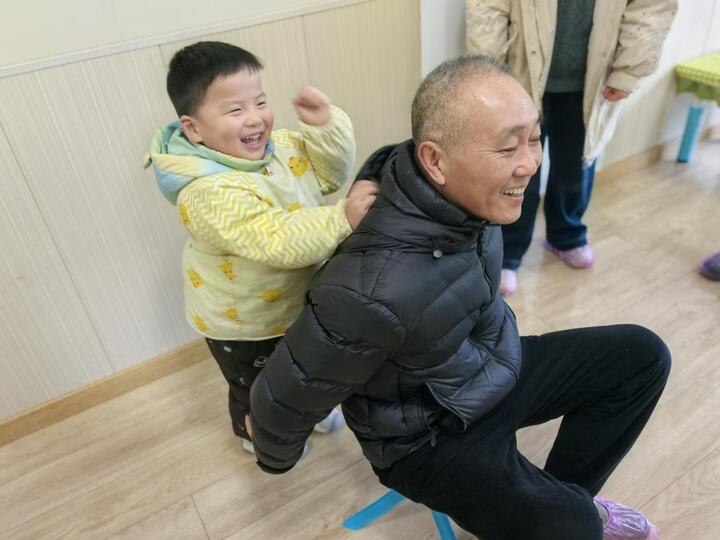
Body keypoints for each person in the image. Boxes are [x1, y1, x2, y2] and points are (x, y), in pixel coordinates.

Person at [248, 55, 671, 540]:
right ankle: (570, 514)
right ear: (436, 162)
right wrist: (273, 456)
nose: (530, 163)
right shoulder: (371, 287)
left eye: (534, 138)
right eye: (507, 147)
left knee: (642, 356)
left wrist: (369, 172)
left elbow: (394, 152)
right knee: (575, 528)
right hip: (424, 438)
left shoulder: (465, 192)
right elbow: (287, 393)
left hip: (487, 367)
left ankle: (563, 498)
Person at [144, 41, 378, 454]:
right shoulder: (206, 192)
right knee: (258, 388)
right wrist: (341, 218)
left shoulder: (279, 149)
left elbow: (329, 176)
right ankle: (259, 434)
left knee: (307, 367)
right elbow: (275, 238)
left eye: (261, 102)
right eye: (235, 110)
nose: (255, 118)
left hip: (295, 303)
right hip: (243, 324)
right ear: (193, 128)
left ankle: (310, 412)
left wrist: (325, 128)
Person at [466, 0, 677, 296]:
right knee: (515, 170)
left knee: (576, 164)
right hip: (518, 72)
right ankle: (507, 250)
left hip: (591, 78)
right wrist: (490, 72)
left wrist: (629, 68)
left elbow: (650, 6)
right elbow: (488, 6)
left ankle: (566, 234)